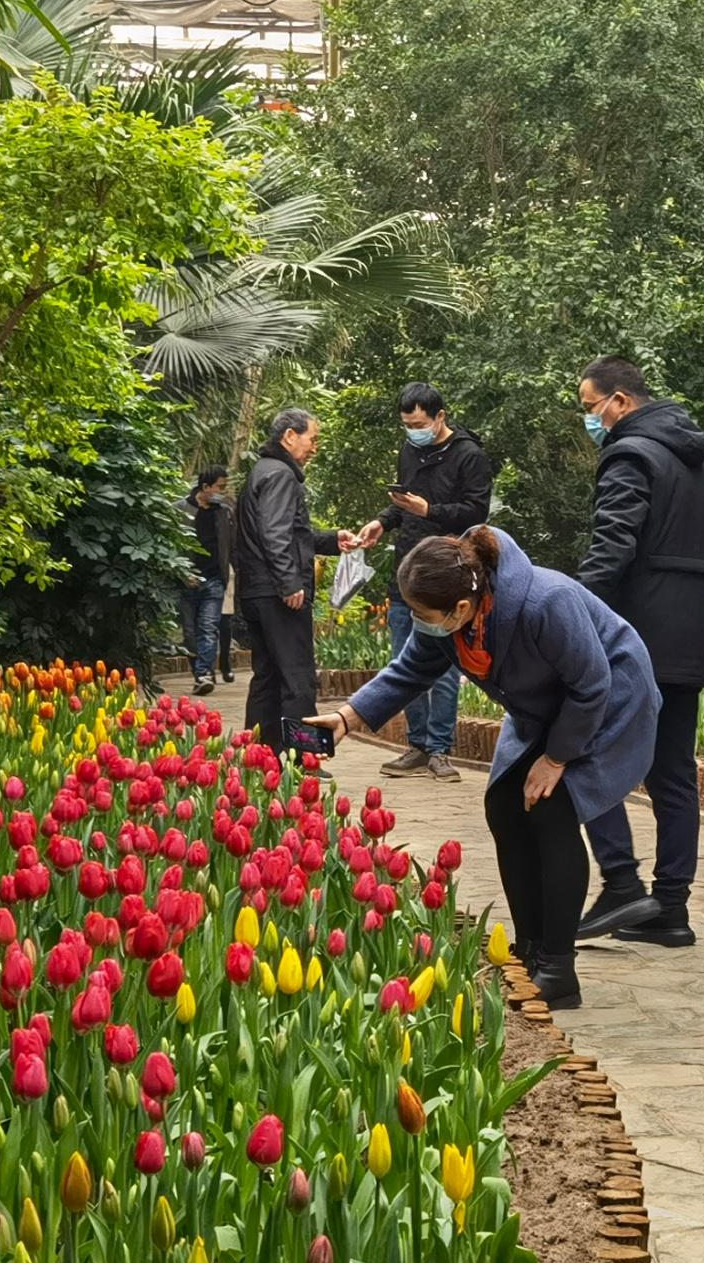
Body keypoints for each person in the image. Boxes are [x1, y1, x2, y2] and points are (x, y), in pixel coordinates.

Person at [325, 529, 655, 1010]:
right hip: (542, 709)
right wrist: (346, 717)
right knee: (504, 806)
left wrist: (555, 758)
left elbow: (591, 684)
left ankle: (559, 970)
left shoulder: (546, 602)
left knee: (549, 807)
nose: (418, 621)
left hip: (608, 701)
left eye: (423, 614)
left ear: (461, 607)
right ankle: (529, 953)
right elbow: (411, 669)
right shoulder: (454, 617)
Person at [570, 356, 704, 948]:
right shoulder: (701, 466)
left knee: (583, 752)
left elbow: (614, 542)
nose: (590, 419)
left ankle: (623, 883)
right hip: (686, 636)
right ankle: (671, 911)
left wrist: (573, 609)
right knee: (675, 775)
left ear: (621, 401)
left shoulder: (631, 456)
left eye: (590, 407)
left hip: (635, 638)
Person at [370, 385, 492, 780]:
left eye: (419, 424)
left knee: (441, 667)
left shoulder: (468, 455)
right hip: (407, 567)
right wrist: (383, 521)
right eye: (407, 425)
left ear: (440, 417)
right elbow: (404, 500)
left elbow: (477, 512)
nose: (412, 431)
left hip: (446, 572)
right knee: (402, 662)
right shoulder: (410, 450)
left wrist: (431, 510)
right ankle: (416, 746)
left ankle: (441, 748)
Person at [235, 411, 338, 754]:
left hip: (257, 591)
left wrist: (337, 540)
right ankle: (303, 756)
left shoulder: (263, 471)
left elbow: (294, 534)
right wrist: (290, 583)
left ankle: (261, 755)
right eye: (313, 438)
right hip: (279, 594)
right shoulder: (280, 475)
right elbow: (275, 535)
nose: (315, 448)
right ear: (290, 436)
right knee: (298, 678)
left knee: (267, 676)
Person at [181, 465, 233, 694]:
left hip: (214, 579)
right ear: (205, 487)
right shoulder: (180, 510)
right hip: (186, 581)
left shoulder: (223, 511)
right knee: (189, 632)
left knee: (208, 627)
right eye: (219, 487)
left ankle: (203, 674)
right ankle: (199, 671)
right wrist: (183, 573)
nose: (223, 492)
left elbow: (233, 544)